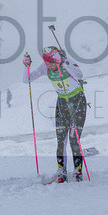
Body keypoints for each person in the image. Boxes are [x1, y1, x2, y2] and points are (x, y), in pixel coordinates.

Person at [23, 47, 87, 182]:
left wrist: (65, 64)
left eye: (52, 63)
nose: (49, 66)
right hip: (63, 103)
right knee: (61, 140)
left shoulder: (66, 63)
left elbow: (80, 75)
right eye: (47, 63)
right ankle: (61, 172)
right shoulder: (45, 68)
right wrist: (26, 66)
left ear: (57, 60)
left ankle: (78, 171)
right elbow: (27, 79)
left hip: (77, 101)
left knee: (74, 140)